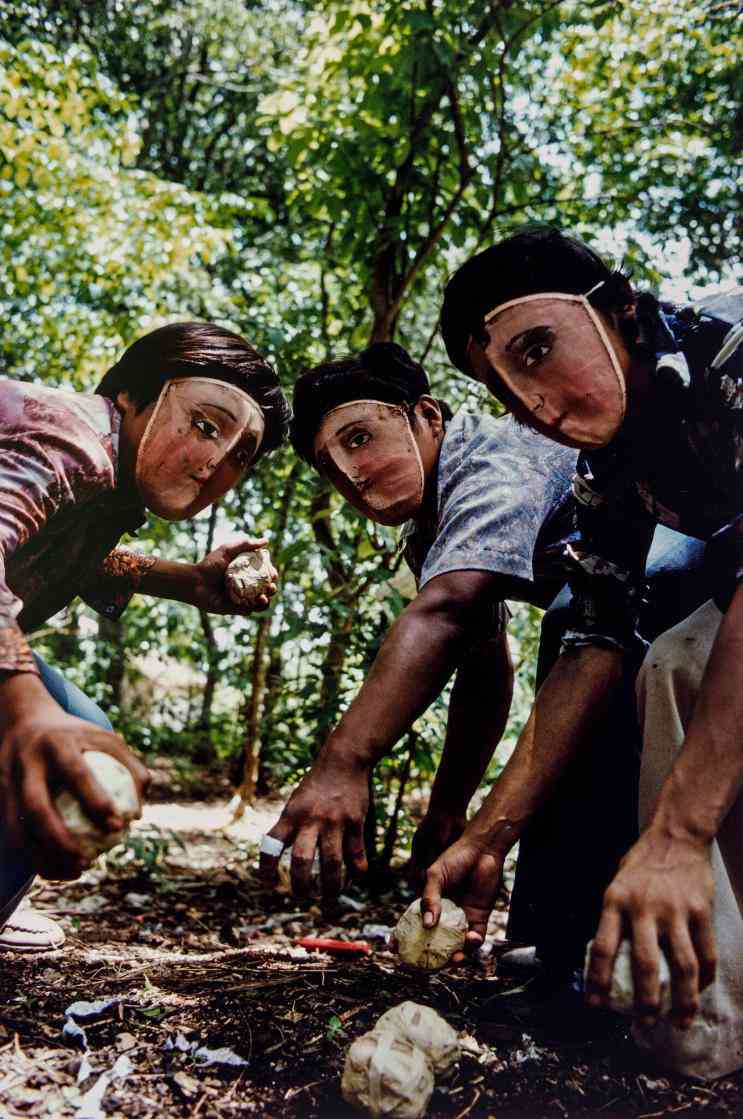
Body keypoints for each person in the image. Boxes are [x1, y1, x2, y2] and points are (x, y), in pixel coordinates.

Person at [428, 223, 743, 1077]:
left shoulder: (731, 353)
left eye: (536, 350)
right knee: (651, 646)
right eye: (503, 385)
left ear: (621, 309)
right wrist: (489, 835)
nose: (530, 401)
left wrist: (677, 833)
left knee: (687, 657)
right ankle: (702, 1016)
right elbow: (594, 644)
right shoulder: (606, 470)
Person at [0, 321, 290, 951]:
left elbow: (56, 549)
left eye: (240, 456)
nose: (215, 462)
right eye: (207, 424)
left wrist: (187, 582)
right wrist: (24, 706)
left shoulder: (107, 475)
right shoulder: (68, 438)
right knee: (58, 726)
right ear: (131, 396)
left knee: (81, 723)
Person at [259, 341, 577, 902]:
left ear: (428, 416)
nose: (352, 476)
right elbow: (481, 669)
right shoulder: (429, 532)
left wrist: (341, 762)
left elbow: (450, 609)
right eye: (332, 469)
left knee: (571, 632)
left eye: (359, 439)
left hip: (688, 602)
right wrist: (446, 812)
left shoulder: (490, 459)